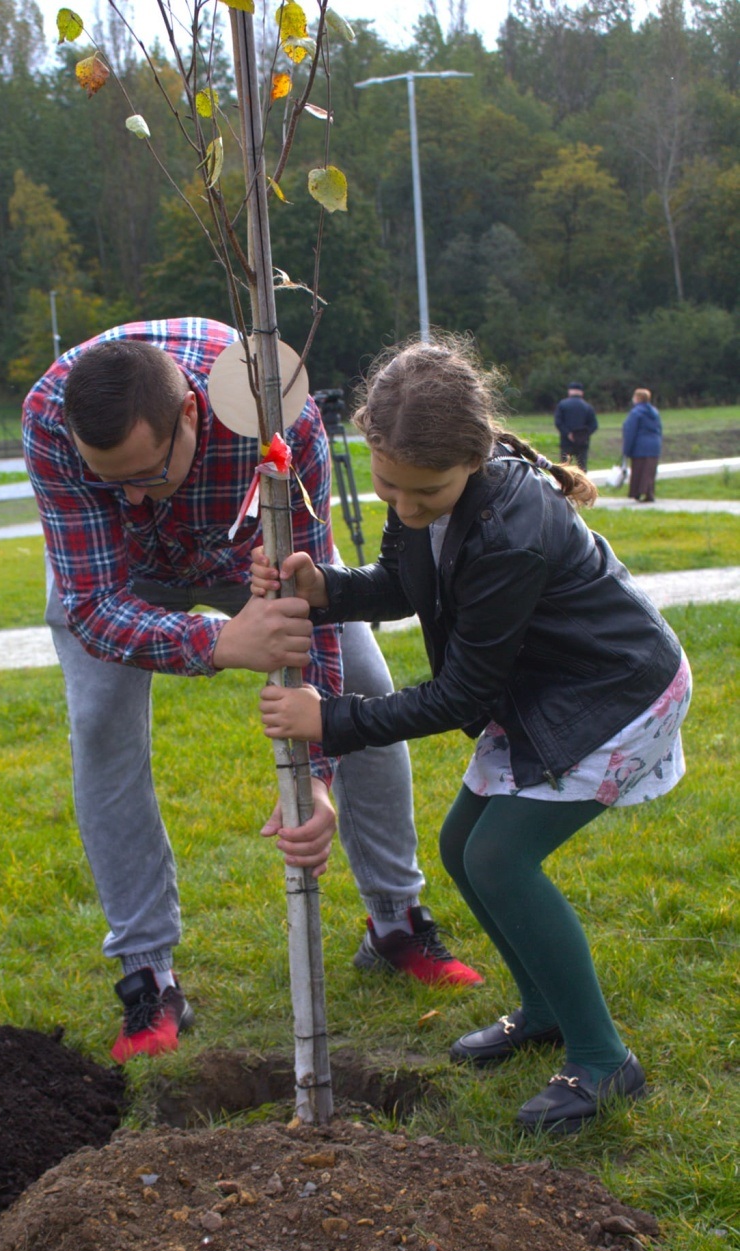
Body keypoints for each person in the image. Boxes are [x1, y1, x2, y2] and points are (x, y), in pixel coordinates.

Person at [250, 335, 691, 1135]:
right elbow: (397, 583)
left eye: (429, 493)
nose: (408, 507)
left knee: (500, 857)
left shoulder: (514, 531)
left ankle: (602, 1059)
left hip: (615, 691)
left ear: (476, 459)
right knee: (462, 847)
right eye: (391, 486)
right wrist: (323, 591)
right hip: (544, 687)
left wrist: (335, 722)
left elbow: (462, 694)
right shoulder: (418, 499)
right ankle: (546, 1011)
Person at [22, 319, 483, 1064]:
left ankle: (394, 920)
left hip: (253, 551)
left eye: (146, 474)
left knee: (364, 684)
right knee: (101, 722)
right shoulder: (50, 418)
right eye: (113, 483)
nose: (132, 500)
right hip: (120, 577)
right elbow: (93, 608)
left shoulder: (275, 403)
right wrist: (214, 643)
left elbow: (319, 598)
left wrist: (320, 772)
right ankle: (148, 973)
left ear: (193, 417)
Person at [622, 387, 663, 503]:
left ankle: (638, 492)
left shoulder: (635, 413)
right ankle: (649, 493)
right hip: (654, 445)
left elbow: (630, 431)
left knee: (639, 470)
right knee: (649, 471)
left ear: (637, 398)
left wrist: (626, 450)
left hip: (640, 446)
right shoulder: (654, 412)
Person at [554, 381, 598, 470]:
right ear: (581, 392)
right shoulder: (587, 407)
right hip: (582, 442)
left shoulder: (562, 405)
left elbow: (558, 422)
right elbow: (594, 425)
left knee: (564, 468)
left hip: (566, 442)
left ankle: (564, 484)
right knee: (582, 468)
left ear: (569, 391)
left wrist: (568, 434)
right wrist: (583, 435)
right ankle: (581, 484)